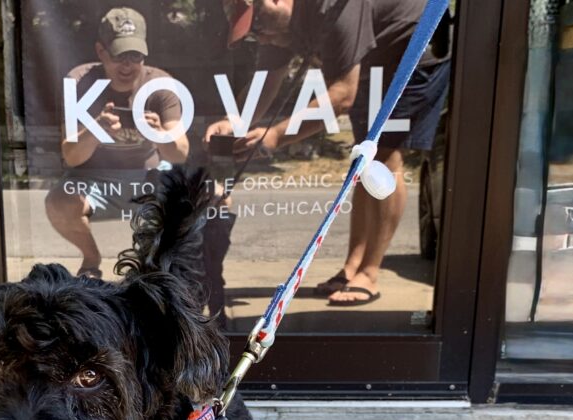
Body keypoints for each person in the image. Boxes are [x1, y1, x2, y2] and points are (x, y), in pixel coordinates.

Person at [208, 0, 450, 306]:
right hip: (373, 58)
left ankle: (370, 272)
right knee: (363, 156)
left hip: (414, 51)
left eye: (257, 27)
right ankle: (352, 266)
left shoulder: (333, 9)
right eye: (253, 35)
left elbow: (341, 96)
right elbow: (266, 81)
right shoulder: (277, 25)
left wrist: (275, 137)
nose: (262, 38)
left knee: (384, 154)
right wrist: (235, 122)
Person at [46, 8, 190, 279]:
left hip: (148, 177)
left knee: (190, 199)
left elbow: (181, 152)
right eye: (119, 55)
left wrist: (158, 133)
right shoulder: (80, 81)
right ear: (101, 52)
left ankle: (152, 264)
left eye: (135, 56)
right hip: (94, 179)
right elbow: (71, 156)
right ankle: (91, 258)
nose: (127, 65)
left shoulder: (160, 83)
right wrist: (95, 130)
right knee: (58, 202)